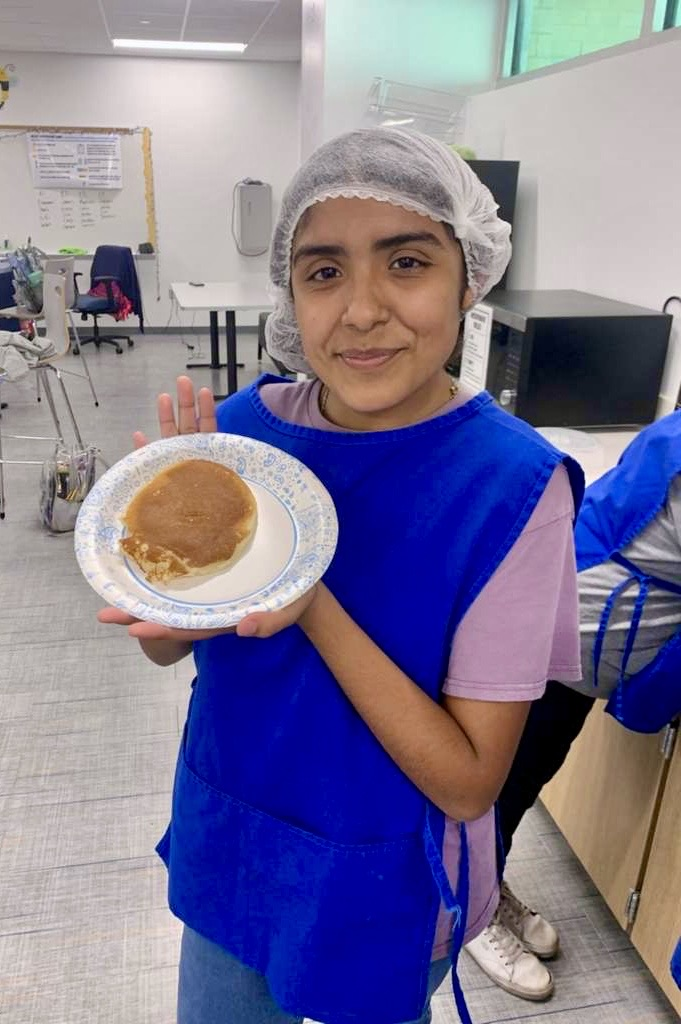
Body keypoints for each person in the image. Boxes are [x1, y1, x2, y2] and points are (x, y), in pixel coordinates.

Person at [98, 128, 584, 1024]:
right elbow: (172, 652)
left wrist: (307, 596)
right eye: (323, 271)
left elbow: (469, 780)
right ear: (288, 292)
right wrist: (165, 600)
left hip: (387, 875)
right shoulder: (243, 430)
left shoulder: (510, 489)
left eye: (405, 261)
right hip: (233, 836)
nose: (360, 309)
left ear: (470, 276)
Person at [465, 410, 681, 1001]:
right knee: (498, 787)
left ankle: (486, 884)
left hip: (581, 653)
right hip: (562, 645)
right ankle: (468, 914)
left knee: (522, 780)